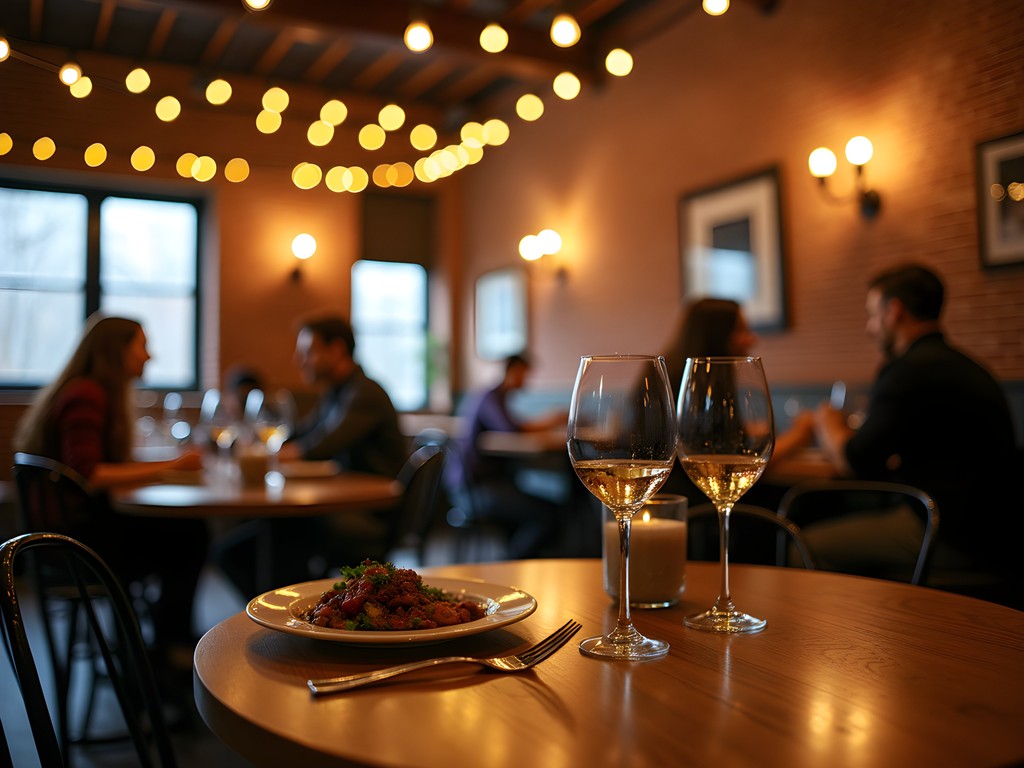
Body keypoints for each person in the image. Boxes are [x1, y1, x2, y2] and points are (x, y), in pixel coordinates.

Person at [12, 314, 208, 672]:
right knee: (191, 535)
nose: (149, 356)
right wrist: (172, 466)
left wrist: (170, 464)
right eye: (142, 346)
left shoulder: (87, 390)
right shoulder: (86, 394)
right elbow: (91, 473)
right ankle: (168, 652)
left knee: (186, 533)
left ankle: (161, 647)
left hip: (73, 531)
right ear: (117, 351)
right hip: (74, 543)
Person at [805, 264, 1018, 584]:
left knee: (800, 545)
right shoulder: (967, 366)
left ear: (894, 311)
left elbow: (855, 461)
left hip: (948, 532)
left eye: (873, 315)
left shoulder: (907, 371)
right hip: (998, 529)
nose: (869, 327)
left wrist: (826, 422)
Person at [217, 314, 407, 593]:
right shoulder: (337, 392)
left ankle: (287, 615)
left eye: (308, 351)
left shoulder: (365, 393)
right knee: (242, 548)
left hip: (369, 516)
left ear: (337, 349)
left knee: (280, 531)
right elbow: (304, 432)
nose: (299, 360)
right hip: (340, 503)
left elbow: (322, 444)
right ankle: (283, 613)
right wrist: (266, 439)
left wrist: (271, 453)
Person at [446, 354, 571, 558]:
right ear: (512, 372)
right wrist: (551, 421)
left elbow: (512, 427)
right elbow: (510, 428)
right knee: (549, 513)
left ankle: (517, 559)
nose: (525, 381)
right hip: (476, 490)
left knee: (546, 508)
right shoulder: (490, 398)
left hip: (476, 485)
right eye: (524, 374)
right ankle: (512, 561)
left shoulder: (491, 397)